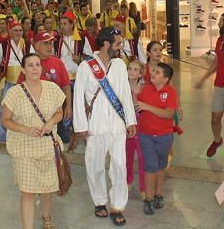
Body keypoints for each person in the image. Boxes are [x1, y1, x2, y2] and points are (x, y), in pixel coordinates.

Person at [73, 27, 137, 227]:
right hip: (95, 126)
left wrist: (130, 121)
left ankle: (118, 205)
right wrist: (80, 125)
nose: (121, 48)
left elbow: (126, 94)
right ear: (106, 44)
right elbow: (78, 97)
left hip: (117, 126)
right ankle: (100, 201)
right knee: (95, 165)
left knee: (119, 165)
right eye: (118, 44)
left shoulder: (119, 65)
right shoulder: (86, 66)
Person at [1, 53, 66, 229]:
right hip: (23, 147)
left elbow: (59, 112)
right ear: (23, 69)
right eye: (30, 65)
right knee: (27, 191)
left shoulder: (52, 88)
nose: (35, 68)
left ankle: (46, 218)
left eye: (37, 64)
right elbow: (5, 120)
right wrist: (26, 130)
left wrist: (50, 123)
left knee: (47, 187)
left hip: (47, 146)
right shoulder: (15, 93)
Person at [135, 62, 178, 216]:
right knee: (150, 166)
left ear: (165, 79)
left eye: (158, 72)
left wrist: (147, 107)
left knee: (161, 165)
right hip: (146, 135)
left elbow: (168, 114)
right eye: (153, 71)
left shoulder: (171, 92)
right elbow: (136, 102)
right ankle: (148, 198)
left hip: (164, 136)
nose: (153, 73)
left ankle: (159, 194)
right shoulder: (146, 89)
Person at [195, 11, 224, 157]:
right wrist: (203, 78)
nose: (218, 24)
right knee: (214, 119)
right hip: (220, 84)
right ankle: (217, 140)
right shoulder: (220, 40)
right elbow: (216, 63)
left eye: (221, 21)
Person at [0, 20, 35, 142]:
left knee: (26, 108)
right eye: (15, 30)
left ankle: (25, 132)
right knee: (5, 108)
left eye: (20, 30)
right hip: (9, 82)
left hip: (25, 82)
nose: (18, 32)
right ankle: (1, 135)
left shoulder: (27, 44)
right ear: (10, 31)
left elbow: (33, 62)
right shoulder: (4, 46)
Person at [126, 60, 145, 198]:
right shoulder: (122, 86)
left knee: (142, 155)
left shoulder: (144, 88)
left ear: (140, 73)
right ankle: (128, 181)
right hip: (126, 124)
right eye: (130, 68)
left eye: (135, 69)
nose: (132, 71)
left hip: (141, 124)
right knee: (127, 154)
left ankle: (144, 187)